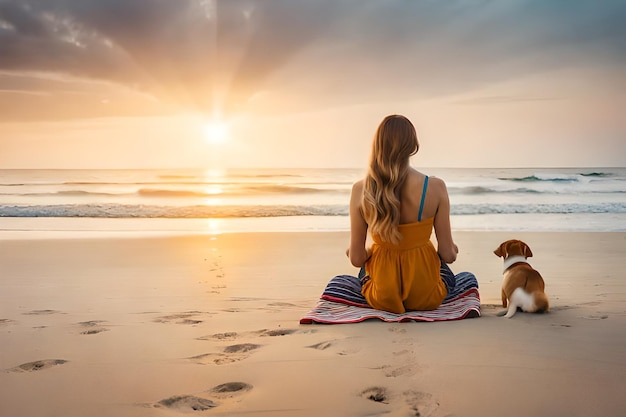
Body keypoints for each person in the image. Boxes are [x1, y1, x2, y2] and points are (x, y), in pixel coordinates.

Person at [346, 114, 459, 314]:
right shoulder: (436, 187)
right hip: (426, 296)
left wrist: (366, 252)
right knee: (466, 278)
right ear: (413, 145)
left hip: (383, 296)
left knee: (351, 277)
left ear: (378, 145)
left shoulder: (361, 190)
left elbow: (356, 259)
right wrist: (451, 249)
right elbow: (448, 256)